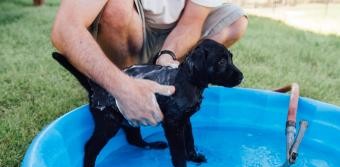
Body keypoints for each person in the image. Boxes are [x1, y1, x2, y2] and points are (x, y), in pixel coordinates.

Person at [51, 0, 248, 127]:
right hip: (132, 27)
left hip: (175, 32)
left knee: (235, 21)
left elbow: (191, 23)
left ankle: (167, 76)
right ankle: (126, 80)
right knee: (116, 9)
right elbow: (65, 27)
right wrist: (124, 88)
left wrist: (167, 55)